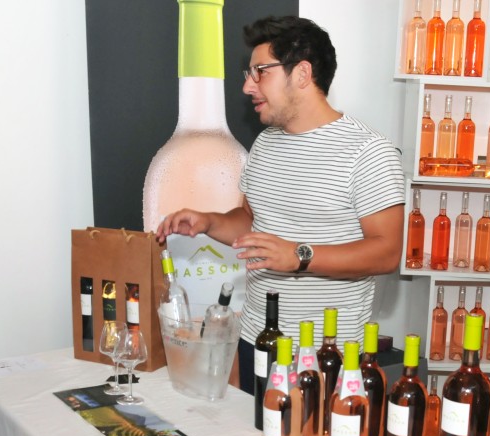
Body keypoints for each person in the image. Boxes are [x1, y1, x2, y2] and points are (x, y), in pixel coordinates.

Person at [156, 16, 405, 393]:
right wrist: (208, 221)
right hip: (255, 338)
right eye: (249, 73)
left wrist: (299, 256)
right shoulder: (266, 143)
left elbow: (386, 252)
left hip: (323, 354)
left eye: (260, 72)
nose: (247, 86)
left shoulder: (369, 153)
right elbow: (251, 221)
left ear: (302, 73)